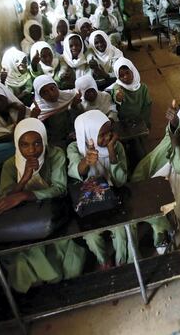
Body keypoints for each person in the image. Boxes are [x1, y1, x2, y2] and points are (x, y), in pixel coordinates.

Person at [0, 119, 86, 293]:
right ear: (17, 145)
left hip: (54, 211)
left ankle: (60, 281)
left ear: (44, 140)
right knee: (24, 253)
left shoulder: (55, 154)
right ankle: (41, 285)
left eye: (37, 143)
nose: (31, 150)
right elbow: (5, 199)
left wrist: (26, 195)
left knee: (62, 247)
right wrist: (24, 179)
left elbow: (59, 188)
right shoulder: (10, 165)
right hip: (25, 218)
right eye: (24, 145)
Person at [132, 101, 180, 234]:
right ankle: (149, 220)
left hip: (175, 175)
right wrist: (173, 122)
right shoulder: (178, 131)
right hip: (155, 167)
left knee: (158, 200)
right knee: (140, 190)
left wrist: (176, 145)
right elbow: (172, 130)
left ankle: (162, 227)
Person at [67, 110, 128, 268]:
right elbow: (75, 170)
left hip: (114, 198)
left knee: (121, 230)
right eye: (102, 134)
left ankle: (121, 263)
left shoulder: (116, 146)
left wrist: (112, 153)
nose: (108, 137)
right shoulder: (75, 148)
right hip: (89, 203)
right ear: (89, 133)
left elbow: (121, 181)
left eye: (109, 132)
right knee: (91, 237)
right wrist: (86, 162)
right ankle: (103, 262)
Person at [31, 75, 80, 148]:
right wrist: (34, 117)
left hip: (73, 131)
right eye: (45, 92)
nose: (51, 94)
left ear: (57, 86)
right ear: (40, 95)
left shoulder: (67, 95)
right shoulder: (37, 109)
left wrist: (74, 106)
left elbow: (79, 92)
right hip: (55, 140)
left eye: (52, 88)